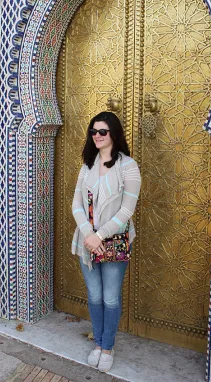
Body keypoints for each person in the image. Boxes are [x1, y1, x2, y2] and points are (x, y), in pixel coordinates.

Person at [71, 111, 141, 373]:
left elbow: (126, 211)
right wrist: (88, 234)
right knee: (95, 295)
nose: (97, 136)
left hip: (113, 241)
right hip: (86, 241)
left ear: (114, 134)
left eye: (102, 132)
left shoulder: (128, 166)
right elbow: (76, 203)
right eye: (93, 131)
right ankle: (98, 344)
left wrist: (99, 236)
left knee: (110, 299)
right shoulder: (87, 164)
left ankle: (108, 347)